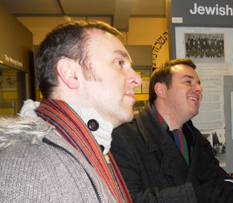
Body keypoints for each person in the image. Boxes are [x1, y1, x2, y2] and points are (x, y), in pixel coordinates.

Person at [0, 20, 142, 202]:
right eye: (119, 62)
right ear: (70, 73)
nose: (137, 79)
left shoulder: (86, 148)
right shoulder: (26, 165)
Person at [111, 59, 233, 203]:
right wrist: (198, 195)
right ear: (161, 90)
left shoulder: (197, 140)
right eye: (188, 82)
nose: (199, 88)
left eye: (199, 83)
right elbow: (127, 199)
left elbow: (228, 184)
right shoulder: (123, 138)